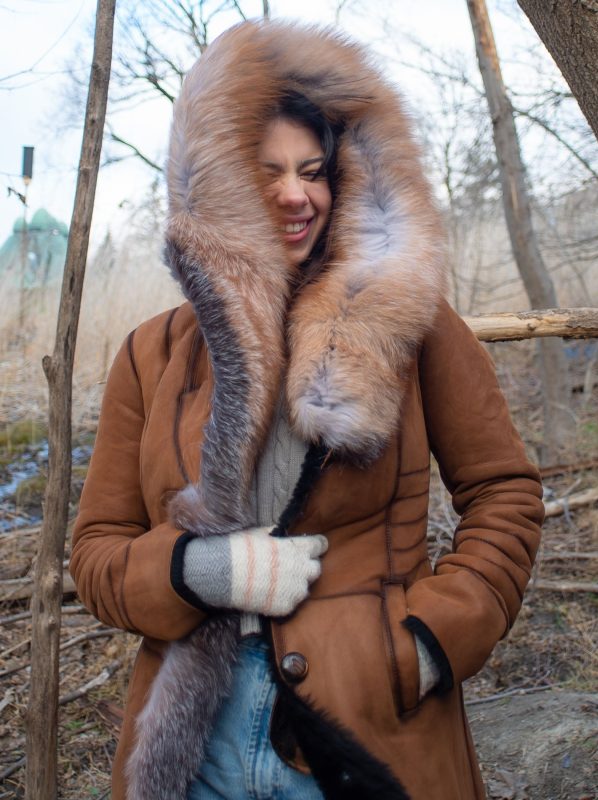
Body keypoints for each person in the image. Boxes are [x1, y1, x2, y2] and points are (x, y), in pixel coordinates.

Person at [70, 20, 544, 800]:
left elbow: (506, 497)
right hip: (196, 745)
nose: (296, 194)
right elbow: (96, 553)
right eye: (267, 171)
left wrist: (427, 642)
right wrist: (197, 569)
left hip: (371, 728)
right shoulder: (150, 354)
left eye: (315, 170)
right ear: (217, 182)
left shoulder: (414, 326)